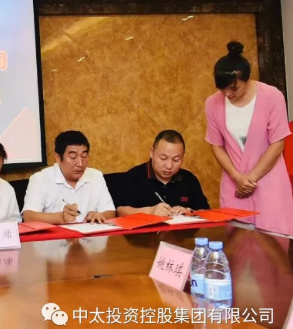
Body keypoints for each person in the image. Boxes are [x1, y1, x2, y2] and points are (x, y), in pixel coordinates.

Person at [205, 41, 293, 235]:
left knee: (274, 246)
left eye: (233, 88)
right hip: (234, 185)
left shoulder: (272, 97)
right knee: (238, 246)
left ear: (248, 78)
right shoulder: (212, 103)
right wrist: (237, 178)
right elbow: (216, 145)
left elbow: (277, 144)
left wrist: (250, 180)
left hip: (269, 183)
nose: (228, 94)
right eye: (222, 89)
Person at [22, 131, 115, 224]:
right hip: (56, 233)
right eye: (73, 157)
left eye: (84, 156)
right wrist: (60, 217)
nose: (80, 163)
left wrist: (98, 215)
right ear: (58, 157)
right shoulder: (40, 179)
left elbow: (110, 212)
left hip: (90, 233)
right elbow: (28, 216)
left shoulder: (96, 176)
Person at [117, 130, 210, 217]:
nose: (169, 166)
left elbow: (206, 212)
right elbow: (120, 211)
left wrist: (189, 212)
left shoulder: (189, 179)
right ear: (151, 152)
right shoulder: (133, 177)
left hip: (181, 229)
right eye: (163, 158)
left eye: (176, 160)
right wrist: (150, 211)